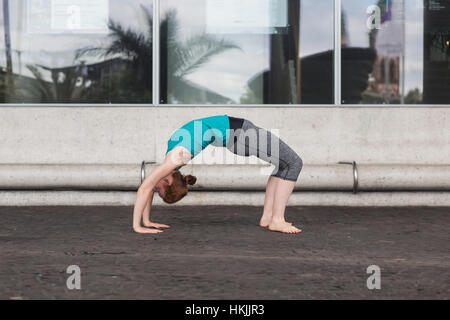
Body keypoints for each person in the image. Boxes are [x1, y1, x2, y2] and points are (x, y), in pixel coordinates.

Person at [133, 115, 303, 234]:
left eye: (158, 191)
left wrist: (146, 221)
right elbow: (145, 189)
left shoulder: (169, 159)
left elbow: (147, 188)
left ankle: (268, 218)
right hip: (243, 135)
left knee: (283, 165)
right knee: (294, 163)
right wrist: (137, 226)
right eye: (159, 191)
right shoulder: (174, 161)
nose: (155, 189)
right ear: (169, 182)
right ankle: (277, 220)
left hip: (241, 134)